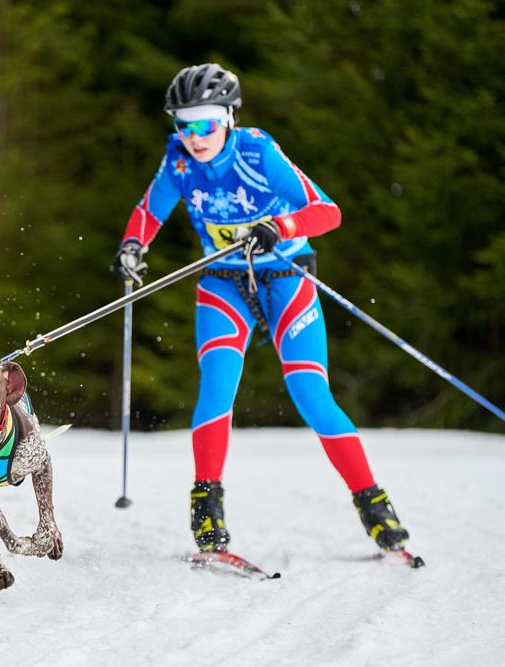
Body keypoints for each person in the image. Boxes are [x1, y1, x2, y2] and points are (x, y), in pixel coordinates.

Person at [112, 63, 411, 555]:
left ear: (229, 117)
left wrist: (281, 227)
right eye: (184, 125)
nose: (195, 137)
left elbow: (328, 212)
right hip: (223, 284)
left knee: (312, 395)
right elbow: (149, 212)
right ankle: (207, 511)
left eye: (206, 124)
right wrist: (131, 246)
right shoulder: (179, 162)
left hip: (286, 279)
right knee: (216, 387)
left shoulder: (256, 152)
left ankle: (373, 504)